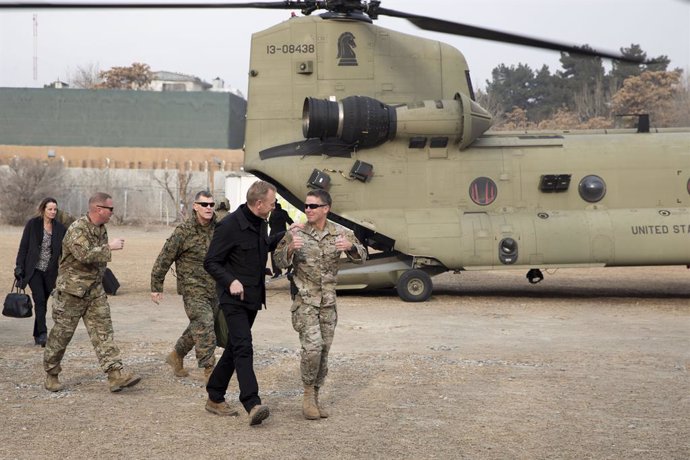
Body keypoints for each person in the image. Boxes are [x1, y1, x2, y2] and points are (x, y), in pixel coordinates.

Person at [274, 189, 366, 420]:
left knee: (323, 351)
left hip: (328, 303)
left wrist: (351, 248)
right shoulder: (296, 232)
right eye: (306, 206)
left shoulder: (341, 233)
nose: (308, 210)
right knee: (312, 349)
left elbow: (362, 256)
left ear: (326, 209)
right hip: (305, 301)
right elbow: (278, 260)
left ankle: (315, 395)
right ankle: (306, 396)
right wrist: (289, 249)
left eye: (313, 206)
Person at [43, 192, 141, 393]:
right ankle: (51, 373)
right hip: (71, 292)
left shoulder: (100, 228)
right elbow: (84, 254)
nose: (112, 213)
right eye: (110, 209)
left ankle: (115, 375)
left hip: (94, 291)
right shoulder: (78, 228)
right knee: (61, 336)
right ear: (98, 209)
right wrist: (109, 247)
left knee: (104, 333)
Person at [203, 180, 282, 425]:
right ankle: (252, 403)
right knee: (244, 346)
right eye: (271, 203)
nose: (273, 207)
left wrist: (287, 234)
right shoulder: (228, 226)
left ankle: (214, 395)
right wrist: (230, 281)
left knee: (235, 347)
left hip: (252, 297)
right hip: (233, 298)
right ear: (259, 203)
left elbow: (261, 246)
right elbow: (211, 261)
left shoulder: (260, 222)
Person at [151, 191, 218, 382]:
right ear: (195, 206)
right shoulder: (183, 231)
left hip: (215, 288)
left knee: (200, 325)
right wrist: (156, 286)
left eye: (211, 205)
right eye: (204, 204)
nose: (209, 208)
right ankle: (209, 370)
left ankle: (176, 355)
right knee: (204, 322)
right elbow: (165, 257)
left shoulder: (219, 228)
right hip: (192, 289)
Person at [14, 197, 67, 347]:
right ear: (43, 209)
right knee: (39, 300)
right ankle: (43, 333)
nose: (53, 212)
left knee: (43, 302)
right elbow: (23, 246)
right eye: (50, 209)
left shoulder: (60, 228)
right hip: (34, 269)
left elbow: (63, 251)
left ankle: (37, 333)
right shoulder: (33, 224)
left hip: (50, 271)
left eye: (55, 209)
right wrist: (19, 266)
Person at [268, 201, 293, 278]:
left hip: (273, 234)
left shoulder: (272, 213)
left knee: (274, 253)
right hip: (283, 234)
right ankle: (289, 268)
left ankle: (277, 271)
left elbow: (270, 224)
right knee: (285, 251)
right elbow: (289, 221)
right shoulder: (283, 212)